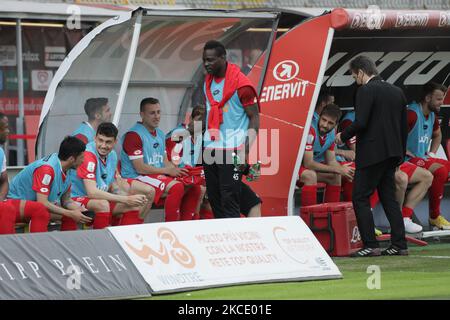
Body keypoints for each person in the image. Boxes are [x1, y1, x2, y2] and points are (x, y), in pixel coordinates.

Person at [336, 55, 408, 257]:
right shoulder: (397, 91)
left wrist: (343, 135)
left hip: (372, 153)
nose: (354, 79)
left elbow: (361, 122)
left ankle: (370, 244)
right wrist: (399, 156)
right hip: (392, 154)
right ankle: (399, 245)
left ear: (360, 72)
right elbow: (403, 128)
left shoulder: (366, 90)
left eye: (353, 75)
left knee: (359, 197)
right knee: (389, 199)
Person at [338, 110, 433, 234]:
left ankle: (403, 219)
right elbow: (358, 152)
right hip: (368, 162)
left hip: (387, 159)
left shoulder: (381, 116)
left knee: (426, 177)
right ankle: (370, 222)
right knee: (397, 177)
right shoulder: (350, 120)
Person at [201, 40, 261, 219]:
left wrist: (245, 151)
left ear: (223, 58)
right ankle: (223, 241)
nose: (206, 64)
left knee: (230, 200)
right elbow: (209, 112)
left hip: (232, 150)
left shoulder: (241, 84)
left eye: (211, 60)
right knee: (214, 199)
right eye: (204, 60)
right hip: (210, 149)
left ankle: (235, 242)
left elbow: (255, 118)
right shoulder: (208, 81)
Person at [120, 97, 201, 222]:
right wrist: (168, 171)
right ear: (142, 114)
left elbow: (165, 161)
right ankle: (172, 226)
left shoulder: (160, 133)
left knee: (194, 185)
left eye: (158, 112)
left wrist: (175, 170)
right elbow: (140, 168)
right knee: (177, 187)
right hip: (136, 177)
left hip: (155, 175)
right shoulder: (134, 135)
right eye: (152, 113)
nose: (157, 116)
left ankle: (188, 225)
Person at [69, 122, 153, 230]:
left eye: (108, 142)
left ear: (115, 142)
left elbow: (112, 184)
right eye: (100, 140)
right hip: (76, 198)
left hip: (96, 198)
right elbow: (92, 192)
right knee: (103, 204)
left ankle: (123, 239)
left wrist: (128, 196)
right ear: (95, 138)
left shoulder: (112, 155)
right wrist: (126, 199)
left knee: (136, 204)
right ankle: (100, 241)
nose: (103, 146)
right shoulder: (88, 155)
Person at [6, 136, 92, 232]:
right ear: (72, 159)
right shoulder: (47, 169)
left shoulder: (69, 169)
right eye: (82, 157)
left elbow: (66, 200)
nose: (83, 160)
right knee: (43, 211)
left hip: (35, 206)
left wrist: (79, 209)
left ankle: (67, 245)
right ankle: (38, 244)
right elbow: (42, 203)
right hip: (14, 204)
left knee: (71, 216)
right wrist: (70, 213)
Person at [406, 82, 450, 230]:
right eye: (438, 99)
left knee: (447, 167)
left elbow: (437, 136)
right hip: (407, 160)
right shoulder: (412, 113)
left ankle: (435, 216)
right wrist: (402, 149)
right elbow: (392, 134)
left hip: (421, 159)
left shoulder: (432, 116)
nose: (441, 103)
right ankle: (434, 216)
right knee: (440, 170)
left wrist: (431, 153)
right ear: (427, 98)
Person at [299, 104, 354, 207]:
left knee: (336, 177)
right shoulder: (310, 130)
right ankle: (309, 218)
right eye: (324, 120)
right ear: (319, 116)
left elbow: (331, 160)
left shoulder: (332, 133)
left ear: (335, 125)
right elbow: (308, 163)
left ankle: (330, 216)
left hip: (306, 167)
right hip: (293, 167)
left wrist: (345, 171)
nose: (325, 125)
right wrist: (338, 169)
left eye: (330, 123)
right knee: (311, 176)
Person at [0, 114, 17, 234]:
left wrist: (0, 198)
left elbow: (4, 181)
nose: (8, 131)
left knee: (39, 209)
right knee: (7, 209)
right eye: (5, 127)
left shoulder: (0, 152)